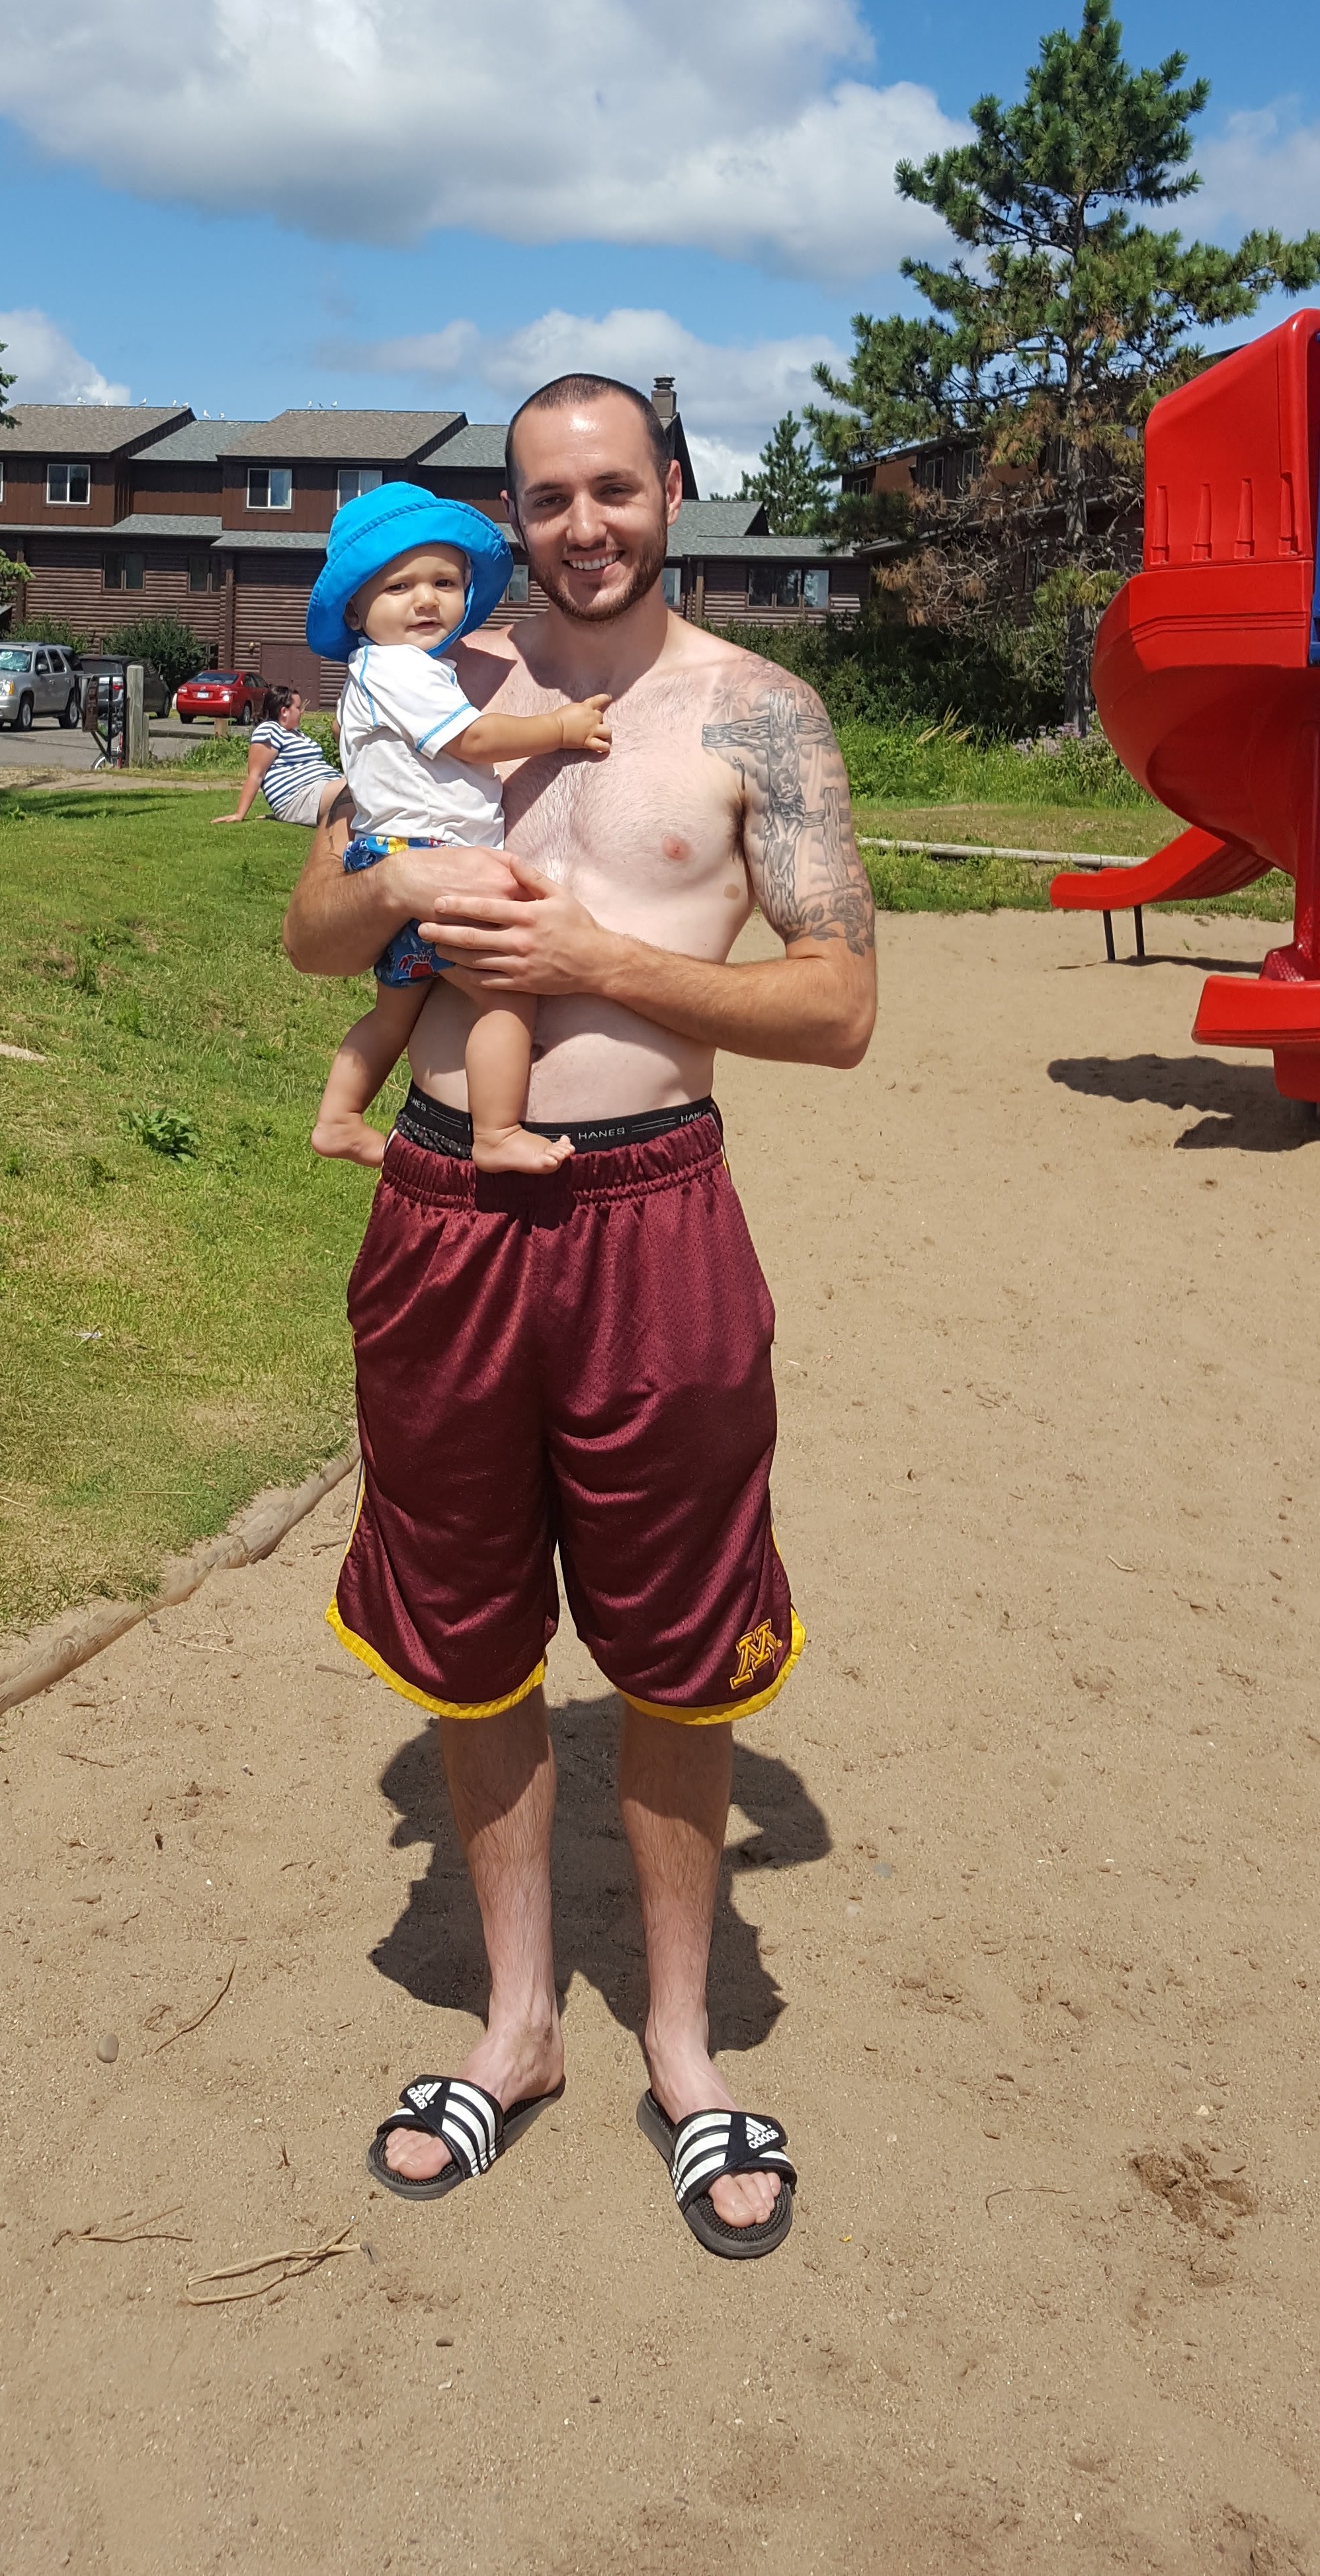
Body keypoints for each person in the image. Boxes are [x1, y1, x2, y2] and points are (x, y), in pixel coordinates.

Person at [281, 374, 876, 2260]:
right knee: (465, 1622)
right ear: (509, 514)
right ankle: (518, 2021)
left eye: (615, 486)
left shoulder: (757, 713)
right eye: (547, 496)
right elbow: (310, 935)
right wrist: (395, 873)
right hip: (444, 1211)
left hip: (654, 1218)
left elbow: (837, 1006)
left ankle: (681, 2051)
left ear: (672, 489)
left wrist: (596, 956)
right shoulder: (422, 679)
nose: (583, 523)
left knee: (679, 1641)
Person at [300, 483, 614, 1176]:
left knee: (395, 1012)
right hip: (432, 859)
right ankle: (496, 1131)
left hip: (387, 856)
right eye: (399, 586)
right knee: (506, 993)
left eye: (444, 583)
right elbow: (473, 739)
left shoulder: (380, 671)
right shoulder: (400, 669)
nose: (425, 600)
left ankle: (339, 1117)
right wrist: (560, 728)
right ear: (354, 609)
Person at [212, 686, 341, 829]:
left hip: (322, 789)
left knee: (357, 784)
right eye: (298, 708)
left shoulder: (296, 734)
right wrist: (239, 814)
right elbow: (256, 774)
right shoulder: (270, 729)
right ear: (284, 711)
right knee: (355, 787)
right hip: (301, 796)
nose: (302, 712)